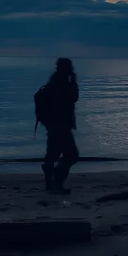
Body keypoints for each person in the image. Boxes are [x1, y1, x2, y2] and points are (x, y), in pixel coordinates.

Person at [41, 58, 79, 194]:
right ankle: (57, 183)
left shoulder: (53, 81)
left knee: (53, 153)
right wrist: (73, 81)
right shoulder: (63, 82)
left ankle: (50, 181)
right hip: (61, 125)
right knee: (72, 155)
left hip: (52, 124)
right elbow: (73, 97)